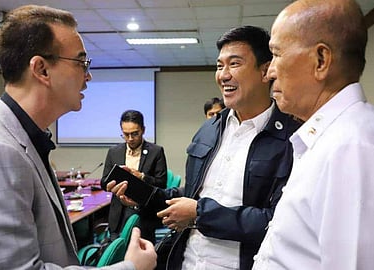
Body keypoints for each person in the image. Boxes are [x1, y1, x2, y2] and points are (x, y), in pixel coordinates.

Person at [0, 5, 156, 270]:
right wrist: (131, 268)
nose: (88, 75)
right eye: (81, 62)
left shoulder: (20, 138)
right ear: (41, 70)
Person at [109, 26, 301, 270]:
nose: (223, 75)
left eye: (234, 64)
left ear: (265, 71)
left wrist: (200, 213)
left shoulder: (291, 138)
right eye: (220, 66)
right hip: (187, 261)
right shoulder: (210, 129)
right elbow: (190, 197)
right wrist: (143, 193)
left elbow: (279, 222)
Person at [252, 0, 374, 269]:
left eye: (277, 54)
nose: (269, 71)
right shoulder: (333, 139)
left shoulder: (355, 150)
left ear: (321, 60)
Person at [101, 109, 168, 244]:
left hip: (144, 212)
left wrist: (142, 176)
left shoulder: (156, 151)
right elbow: (104, 181)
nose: (130, 139)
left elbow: (161, 183)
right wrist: (109, 185)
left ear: (143, 130)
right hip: (119, 213)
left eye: (135, 134)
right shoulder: (114, 152)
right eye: (126, 135)